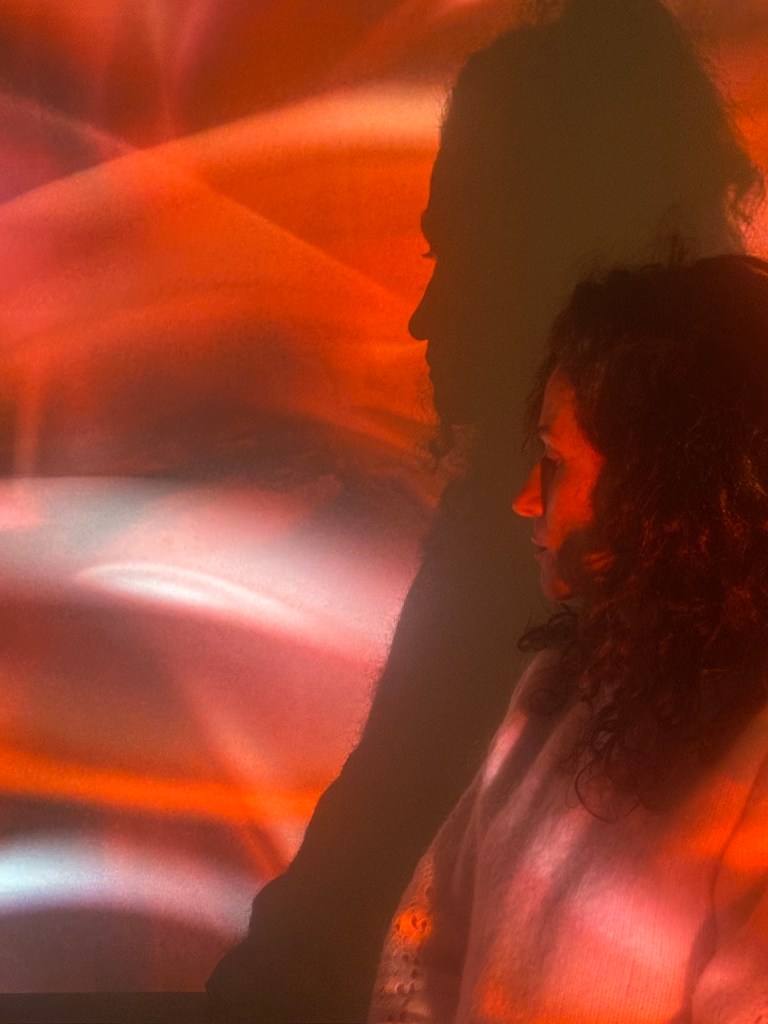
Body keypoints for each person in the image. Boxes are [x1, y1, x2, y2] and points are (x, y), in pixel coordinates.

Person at [207, 2, 761, 1019]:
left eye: (450, 254)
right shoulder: (540, 659)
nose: (425, 315)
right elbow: (397, 940)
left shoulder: (547, 618)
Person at [370, 254, 768, 1023]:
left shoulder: (753, 748)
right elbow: (428, 942)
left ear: (667, 491)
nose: (525, 500)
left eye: (554, 462)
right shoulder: (563, 684)